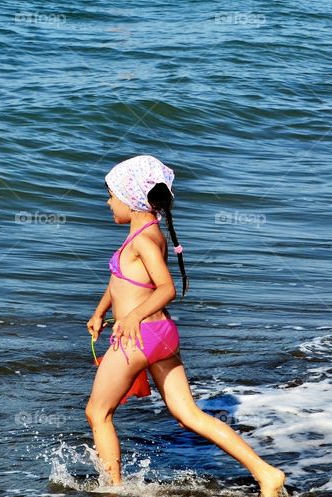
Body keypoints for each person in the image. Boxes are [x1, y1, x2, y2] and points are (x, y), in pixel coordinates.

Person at [84, 155, 286, 496]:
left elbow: (167, 288)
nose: (108, 202)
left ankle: (113, 489)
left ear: (132, 200)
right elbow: (121, 280)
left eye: (112, 195)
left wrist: (131, 316)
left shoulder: (143, 241)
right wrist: (101, 310)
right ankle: (266, 473)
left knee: (98, 412)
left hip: (139, 336)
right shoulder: (147, 235)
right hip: (161, 337)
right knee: (188, 414)